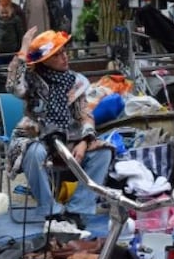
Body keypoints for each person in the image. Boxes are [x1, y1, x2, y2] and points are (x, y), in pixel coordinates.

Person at [6, 27, 112, 233]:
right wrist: (24, 49)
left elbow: (85, 114)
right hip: (36, 135)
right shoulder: (31, 80)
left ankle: (76, 210)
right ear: (44, 61)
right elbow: (12, 86)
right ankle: (51, 212)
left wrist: (84, 141)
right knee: (34, 152)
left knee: (103, 152)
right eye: (56, 55)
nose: (64, 57)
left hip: (70, 138)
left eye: (64, 52)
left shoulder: (77, 81)